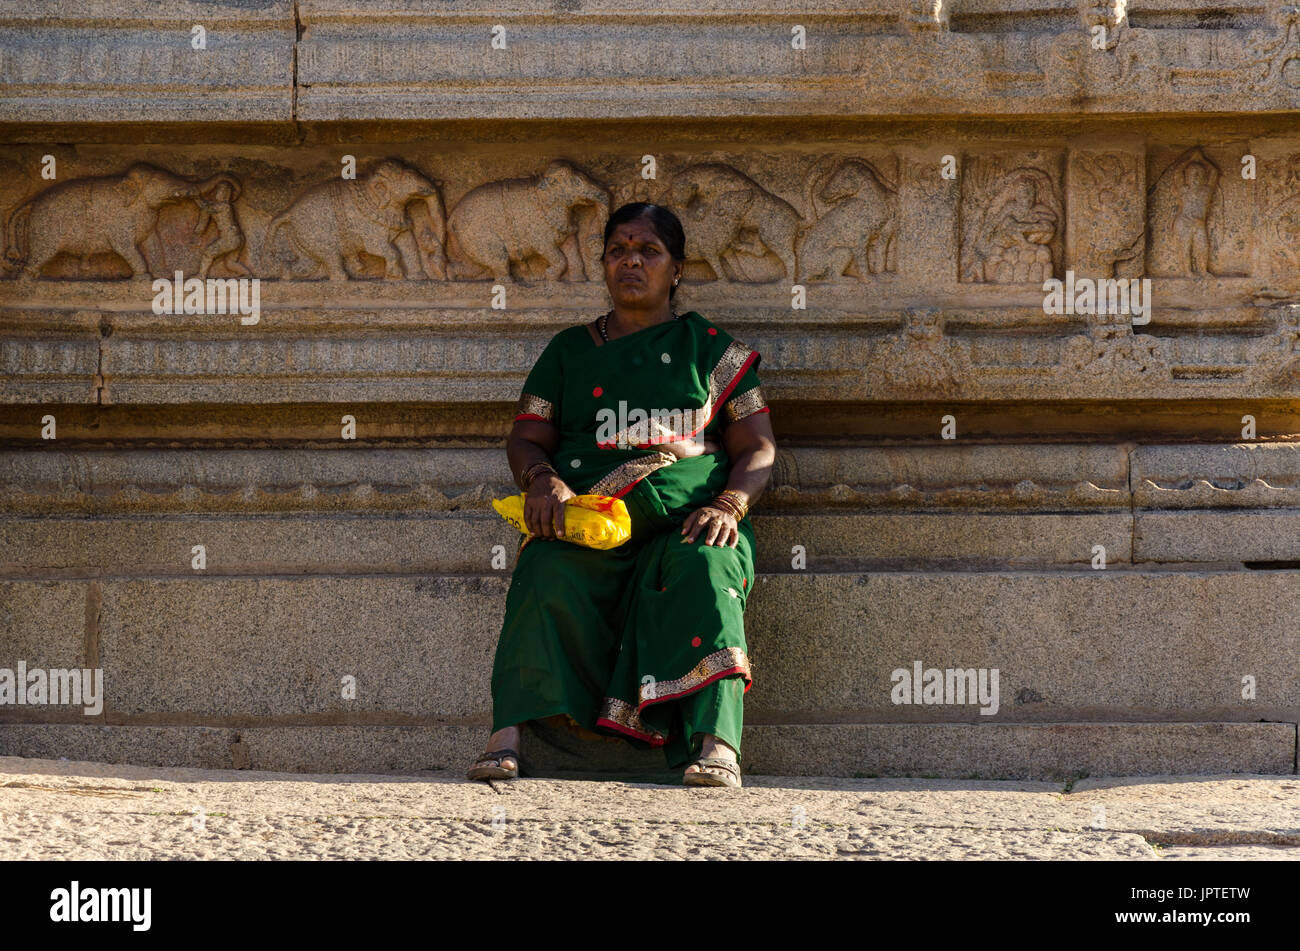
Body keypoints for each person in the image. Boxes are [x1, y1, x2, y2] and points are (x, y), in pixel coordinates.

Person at [468, 202, 777, 787]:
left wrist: (729, 504)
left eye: (648, 251)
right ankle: (506, 733)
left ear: (677, 269)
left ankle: (716, 745)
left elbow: (758, 449)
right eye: (617, 251)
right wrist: (544, 481)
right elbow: (528, 439)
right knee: (546, 567)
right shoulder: (568, 352)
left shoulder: (711, 350)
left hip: (689, 512)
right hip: (593, 518)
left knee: (709, 567)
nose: (630, 261)